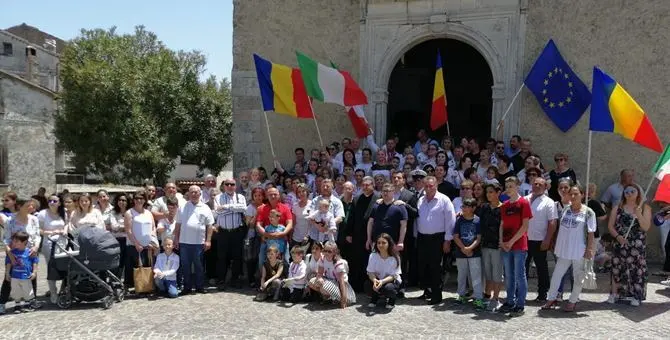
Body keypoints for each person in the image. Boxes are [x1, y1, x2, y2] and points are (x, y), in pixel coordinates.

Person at [542, 185, 596, 312]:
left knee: (577, 276)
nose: (573, 196)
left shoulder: (588, 212)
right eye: (571, 194)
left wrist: (589, 249)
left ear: (582, 195)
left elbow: (591, 233)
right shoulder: (566, 209)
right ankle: (551, 298)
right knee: (556, 275)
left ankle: (572, 301)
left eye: (576, 194)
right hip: (564, 249)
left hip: (579, 249)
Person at [607, 183, 651, 306]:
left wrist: (639, 215)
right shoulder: (617, 208)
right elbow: (610, 226)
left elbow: (646, 227)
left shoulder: (644, 208)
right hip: (620, 243)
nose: (629, 194)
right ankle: (615, 293)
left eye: (632, 191)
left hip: (637, 246)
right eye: (627, 192)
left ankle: (636, 295)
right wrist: (618, 236)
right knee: (617, 268)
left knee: (637, 270)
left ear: (638, 193)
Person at [416, 176, 456, 305]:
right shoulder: (421, 200)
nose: (428, 188)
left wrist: (447, 240)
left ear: (436, 186)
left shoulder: (444, 200)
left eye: (431, 186)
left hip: (438, 238)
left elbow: (451, 221)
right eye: (426, 186)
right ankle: (427, 290)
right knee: (424, 266)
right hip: (422, 237)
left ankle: (437, 295)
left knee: (436, 267)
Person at [499, 176, 532, 316]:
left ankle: (520, 303)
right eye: (507, 186)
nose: (509, 189)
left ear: (517, 187)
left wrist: (511, 242)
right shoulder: (505, 205)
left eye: (511, 186)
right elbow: (502, 224)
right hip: (506, 245)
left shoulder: (524, 203)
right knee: (509, 275)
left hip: (518, 244)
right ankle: (510, 300)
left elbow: (525, 226)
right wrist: (501, 241)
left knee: (519, 274)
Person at [0, 198, 41, 314]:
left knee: (31, 276)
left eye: (32, 206)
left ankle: (32, 301)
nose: (31, 208)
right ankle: (2, 303)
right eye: (28, 206)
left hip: (30, 252)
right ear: (19, 206)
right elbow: (6, 239)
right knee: (9, 278)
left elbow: (38, 235)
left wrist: (36, 247)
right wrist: (10, 255)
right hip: (14, 254)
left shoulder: (34, 219)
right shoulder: (10, 220)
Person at [174, 185, 215, 294]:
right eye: (192, 192)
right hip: (184, 242)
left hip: (199, 242)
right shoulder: (182, 207)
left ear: (200, 194)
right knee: (185, 266)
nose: (194, 194)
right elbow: (178, 224)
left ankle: (199, 286)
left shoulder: (205, 208)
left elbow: (210, 226)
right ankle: (187, 287)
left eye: (196, 192)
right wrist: (176, 239)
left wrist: (208, 240)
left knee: (199, 265)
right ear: (188, 193)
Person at [524, 176, 557, 302]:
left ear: (545, 187)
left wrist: (547, 239)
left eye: (540, 185)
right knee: (523, 267)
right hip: (524, 239)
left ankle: (542, 293)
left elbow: (552, 222)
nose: (537, 186)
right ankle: (521, 292)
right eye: (535, 184)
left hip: (540, 240)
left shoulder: (549, 202)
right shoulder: (525, 199)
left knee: (541, 267)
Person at [345, 176, 379, 292]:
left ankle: (370, 285)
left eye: (367, 185)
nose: (365, 187)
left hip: (373, 235)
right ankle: (358, 286)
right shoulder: (356, 199)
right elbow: (351, 217)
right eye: (363, 185)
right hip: (358, 235)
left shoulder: (378, 198)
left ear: (373, 185)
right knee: (357, 260)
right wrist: (349, 233)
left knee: (371, 260)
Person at [212, 178, 247, 290]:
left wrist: (226, 207)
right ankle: (221, 280)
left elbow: (243, 208)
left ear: (235, 186)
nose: (230, 186)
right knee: (221, 257)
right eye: (227, 184)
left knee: (237, 257)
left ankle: (235, 279)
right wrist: (235, 208)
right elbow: (217, 211)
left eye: (232, 184)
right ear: (224, 186)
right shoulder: (218, 197)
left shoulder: (240, 197)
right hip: (223, 232)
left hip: (237, 231)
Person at [453, 198, 485, 309]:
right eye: (463, 206)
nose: (464, 209)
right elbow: (456, 236)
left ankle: (478, 297)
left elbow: (479, 238)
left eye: (467, 206)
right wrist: (463, 248)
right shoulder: (459, 220)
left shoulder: (477, 220)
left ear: (473, 208)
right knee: (461, 275)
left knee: (476, 275)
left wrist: (470, 248)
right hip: (460, 252)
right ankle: (461, 295)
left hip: (474, 252)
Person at [125, 190, 158, 292]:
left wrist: (152, 241)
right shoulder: (129, 213)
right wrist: (136, 243)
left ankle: (146, 287)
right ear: (133, 200)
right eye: (137, 198)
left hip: (147, 246)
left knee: (147, 267)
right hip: (134, 246)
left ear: (145, 200)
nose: (139, 200)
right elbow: (128, 230)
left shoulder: (148, 213)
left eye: (141, 198)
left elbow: (153, 228)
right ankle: (136, 287)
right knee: (135, 268)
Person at [478, 183, 504, 311]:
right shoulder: (484, 208)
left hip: (497, 245)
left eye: (491, 192)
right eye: (487, 192)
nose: (489, 194)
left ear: (498, 193)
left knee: (497, 273)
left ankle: (496, 298)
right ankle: (487, 295)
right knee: (487, 272)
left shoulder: (503, 208)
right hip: (485, 244)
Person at [36, 194, 67, 303]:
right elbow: (38, 229)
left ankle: (64, 290)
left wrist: (64, 230)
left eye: (54, 201)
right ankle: (53, 292)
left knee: (64, 267)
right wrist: (51, 232)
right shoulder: (42, 214)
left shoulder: (64, 212)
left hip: (63, 243)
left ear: (59, 203)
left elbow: (67, 225)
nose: (51, 203)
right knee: (52, 268)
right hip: (49, 244)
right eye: (50, 201)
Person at [307, 241, 356, 308]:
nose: (326, 253)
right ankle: (329, 297)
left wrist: (343, 300)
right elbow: (319, 273)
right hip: (329, 280)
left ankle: (338, 298)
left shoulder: (338, 263)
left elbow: (342, 282)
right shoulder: (322, 259)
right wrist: (319, 278)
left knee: (323, 287)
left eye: (329, 251)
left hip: (340, 285)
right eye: (325, 251)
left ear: (334, 252)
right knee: (311, 282)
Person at [4, 232, 39, 313]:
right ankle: (17, 306)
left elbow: (35, 262)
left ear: (24, 242)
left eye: (16, 241)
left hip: (26, 276)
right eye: (13, 241)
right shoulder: (12, 252)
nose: (13, 243)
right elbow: (8, 262)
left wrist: (34, 272)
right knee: (16, 291)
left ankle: (27, 304)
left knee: (27, 291)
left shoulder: (30, 252)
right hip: (15, 276)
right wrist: (7, 273)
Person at [366, 233, 402, 309]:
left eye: (384, 243)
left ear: (389, 244)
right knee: (367, 285)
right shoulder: (373, 255)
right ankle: (375, 298)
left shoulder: (395, 257)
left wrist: (382, 282)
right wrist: (375, 280)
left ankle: (392, 300)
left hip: (391, 280)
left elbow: (394, 276)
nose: (380, 245)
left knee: (389, 288)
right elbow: (370, 272)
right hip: (378, 279)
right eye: (379, 243)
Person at [367, 183, 408, 248]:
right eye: (383, 191)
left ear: (393, 192)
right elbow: (370, 222)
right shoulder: (376, 206)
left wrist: (400, 242)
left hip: (393, 243)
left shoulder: (400, 207)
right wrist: (369, 239)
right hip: (377, 242)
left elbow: (403, 225)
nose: (385, 193)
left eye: (388, 191)